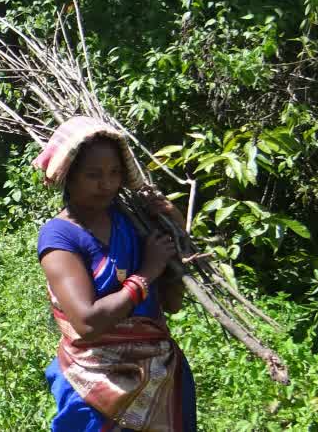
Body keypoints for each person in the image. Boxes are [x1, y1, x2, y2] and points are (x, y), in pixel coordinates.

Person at [35, 116, 197, 431]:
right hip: (94, 382)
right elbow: (88, 322)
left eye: (114, 173)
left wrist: (170, 219)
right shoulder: (60, 237)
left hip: (160, 376)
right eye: (93, 175)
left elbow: (172, 303)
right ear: (70, 176)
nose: (106, 184)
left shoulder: (131, 223)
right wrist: (147, 272)